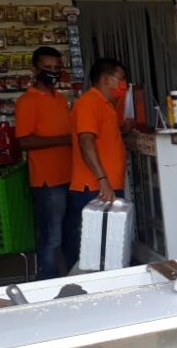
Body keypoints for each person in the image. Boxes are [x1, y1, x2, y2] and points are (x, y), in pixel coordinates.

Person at [14, 46, 73, 279]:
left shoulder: (60, 98)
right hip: (47, 181)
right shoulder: (27, 101)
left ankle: (74, 280)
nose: (53, 72)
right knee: (51, 237)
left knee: (71, 234)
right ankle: (47, 283)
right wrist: (64, 140)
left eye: (57, 68)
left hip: (71, 176)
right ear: (34, 69)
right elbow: (25, 142)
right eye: (47, 68)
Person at [67, 58, 129, 267]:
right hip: (94, 188)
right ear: (106, 79)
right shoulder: (88, 102)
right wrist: (102, 179)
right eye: (120, 80)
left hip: (106, 187)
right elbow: (85, 141)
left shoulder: (106, 105)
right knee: (92, 251)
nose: (124, 85)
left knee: (107, 248)